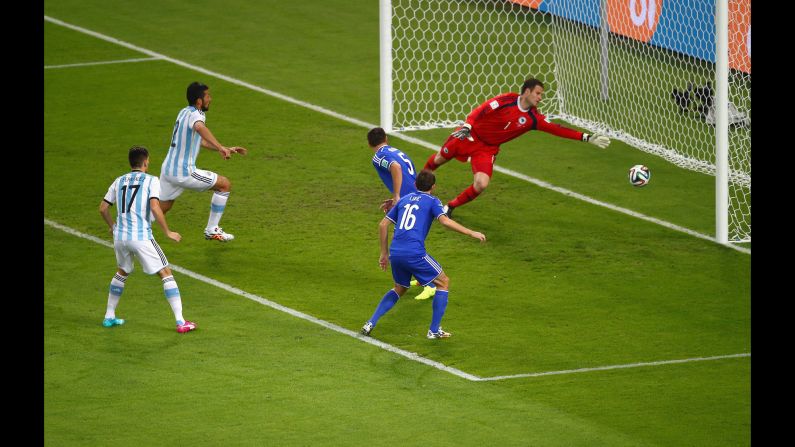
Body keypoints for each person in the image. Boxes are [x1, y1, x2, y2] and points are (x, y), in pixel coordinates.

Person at [423, 78, 611, 217]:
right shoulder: (506, 100)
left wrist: (586, 137)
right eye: (538, 93)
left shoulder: (533, 118)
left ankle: (450, 207)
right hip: (469, 136)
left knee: (481, 184)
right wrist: (467, 126)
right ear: (527, 91)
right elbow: (481, 109)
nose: (540, 97)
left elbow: (557, 129)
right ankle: (417, 189)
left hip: (487, 149)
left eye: (541, 95)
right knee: (439, 159)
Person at [360, 170, 486, 339]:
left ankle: (370, 323)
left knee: (400, 288)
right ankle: (434, 331)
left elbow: (383, 225)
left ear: (414, 184)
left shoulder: (404, 200)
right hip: (414, 253)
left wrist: (384, 253)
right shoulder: (432, 201)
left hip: (396, 253)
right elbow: (445, 221)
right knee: (443, 282)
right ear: (433, 187)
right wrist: (471, 233)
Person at [99, 146, 197, 333]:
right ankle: (180, 321)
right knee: (165, 272)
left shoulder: (119, 181)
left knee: (122, 271)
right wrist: (167, 231)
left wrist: (112, 227)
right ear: (145, 162)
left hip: (120, 237)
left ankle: (109, 316)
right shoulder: (152, 180)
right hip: (141, 236)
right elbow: (154, 206)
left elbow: (103, 208)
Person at [159, 81, 248, 241]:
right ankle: (212, 229)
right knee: (224, 184)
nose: (210, 99)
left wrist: (224, 148)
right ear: (199, 101)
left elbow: (199, 141)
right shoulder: (197, 115)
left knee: (163, 206)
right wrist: (220, 147)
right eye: (207, 96)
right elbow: (200, 127)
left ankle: (126, 224)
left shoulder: (183, 112)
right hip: (184, 171)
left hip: (168, 169)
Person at [368, 127, 436, 301]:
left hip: (408, 200)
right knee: (412, 240)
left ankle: (430, 284)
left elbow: (396, 168)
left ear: (370, 144)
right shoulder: (396, 150)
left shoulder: (378, 156)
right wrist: (396, 197)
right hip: (416, 195)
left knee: (406, 241)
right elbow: (405, 170)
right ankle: (423, 279)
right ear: (386, 139)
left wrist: (398, 196)